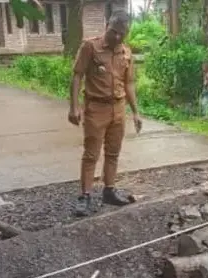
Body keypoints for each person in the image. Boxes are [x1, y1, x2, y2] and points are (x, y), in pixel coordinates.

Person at [68, 10, 142, 217]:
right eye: (114, 31)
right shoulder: (90, 47)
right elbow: (77, 76)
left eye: (122, 33)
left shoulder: (126, 53)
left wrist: (135, 112)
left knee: (113, 152)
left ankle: (109, 190)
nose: (117, 37)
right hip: (96, 108)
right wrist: (74, 107)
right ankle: (84, 196)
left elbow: (129, 83)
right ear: (106, 26)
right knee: (91, 153)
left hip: (118, 109)